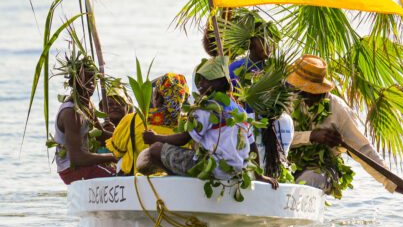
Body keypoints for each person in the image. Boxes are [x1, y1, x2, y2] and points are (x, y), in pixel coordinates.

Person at [287, 55, 403, 198]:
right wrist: (311, 136)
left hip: (321, 170)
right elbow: (276, 138)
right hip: (288, 165)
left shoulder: (339, 110)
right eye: (304, 92)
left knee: (309, 179)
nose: (309, 97)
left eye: (314, 92)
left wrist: (396, 185)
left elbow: (363, 151)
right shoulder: (287, 102)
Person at [137, 57, 278, 190]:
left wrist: (156, 138)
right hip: (236, 171)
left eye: (206, 81)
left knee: (155, 150)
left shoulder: (206, 108)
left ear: (221, 82)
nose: (200, 85)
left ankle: (178, 184)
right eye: (199, 81)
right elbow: (252, 145)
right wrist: (259, 175)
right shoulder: (239, 109)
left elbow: (184, 138)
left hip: (213, 168)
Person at [106, 73, 189, 175]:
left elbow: (117, 153)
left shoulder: (132, 119)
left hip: (136, 182)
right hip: (177, 182)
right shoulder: (188, 123)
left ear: (157, 96)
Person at [54, 59, 117, 184]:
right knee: (118, 177)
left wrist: (127, 138)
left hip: (84, 163)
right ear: (72, 83)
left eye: (93, 80)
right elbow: (77, 158)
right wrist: (114, 157)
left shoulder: (87, 105)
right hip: (72, 169)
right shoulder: (71, 113)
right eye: (85, 80)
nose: (91, 85)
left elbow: (101, 135)